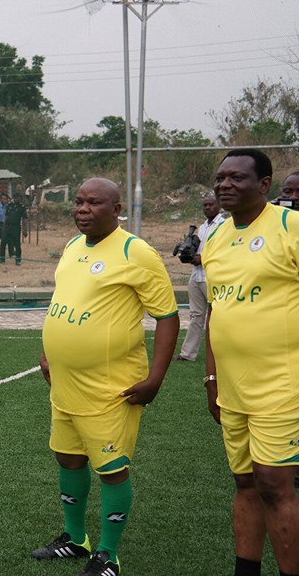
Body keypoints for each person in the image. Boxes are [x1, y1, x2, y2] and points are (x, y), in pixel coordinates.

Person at [34, 178, 179, 576]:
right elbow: (63, 301)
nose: (82, 208)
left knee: (111, 468)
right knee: (67, 456)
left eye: (93, 203)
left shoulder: (137, 252)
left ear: (116, 209)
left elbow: (167, 316)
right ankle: (75, 539)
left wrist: (156, 378)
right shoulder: (72, 246)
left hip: (111, 387)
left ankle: (108, 555)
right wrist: (49, 352)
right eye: (78, 201)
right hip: (64, 382)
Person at [202, 149, 299, 576]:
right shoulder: (216, 237)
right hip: (233, 386)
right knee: (244, 482)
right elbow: (214, 311)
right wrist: (212, 377)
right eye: (220, 178)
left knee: (276, 486)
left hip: (283, 383)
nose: (225, 185)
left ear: (264, 185)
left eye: (237, 178)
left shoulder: (290, 227)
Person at [174, 194, 224, 362]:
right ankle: (188, 354)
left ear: (219, 205)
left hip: (212, 276)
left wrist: (202, 258)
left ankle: (220, 352)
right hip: (196, 275)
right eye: (205, 205)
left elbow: (222, 249)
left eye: (211, 204)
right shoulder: (202, 228)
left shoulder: (224, 225)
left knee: (217, 317)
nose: (208, 207)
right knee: (196, 315)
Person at [3, 194, 29, 265]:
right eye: (15, 197)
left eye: (18, 197)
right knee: (4, 241)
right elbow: (6, 217)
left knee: (17, 244)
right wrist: (4, 227)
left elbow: (24, 219)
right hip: (8, 226)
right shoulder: (9, 206)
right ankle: (2, 258)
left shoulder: (22, 207)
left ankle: (18, 259)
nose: (17, 199)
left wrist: (25, 231)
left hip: (16, 227)